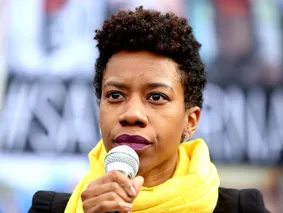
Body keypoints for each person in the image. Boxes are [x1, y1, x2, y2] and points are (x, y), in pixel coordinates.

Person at [29, 6, 270, 213]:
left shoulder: (241, 208)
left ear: (191, 121)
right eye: (115, 95)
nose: (132, 114)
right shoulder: (48, 208)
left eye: (156, 96)